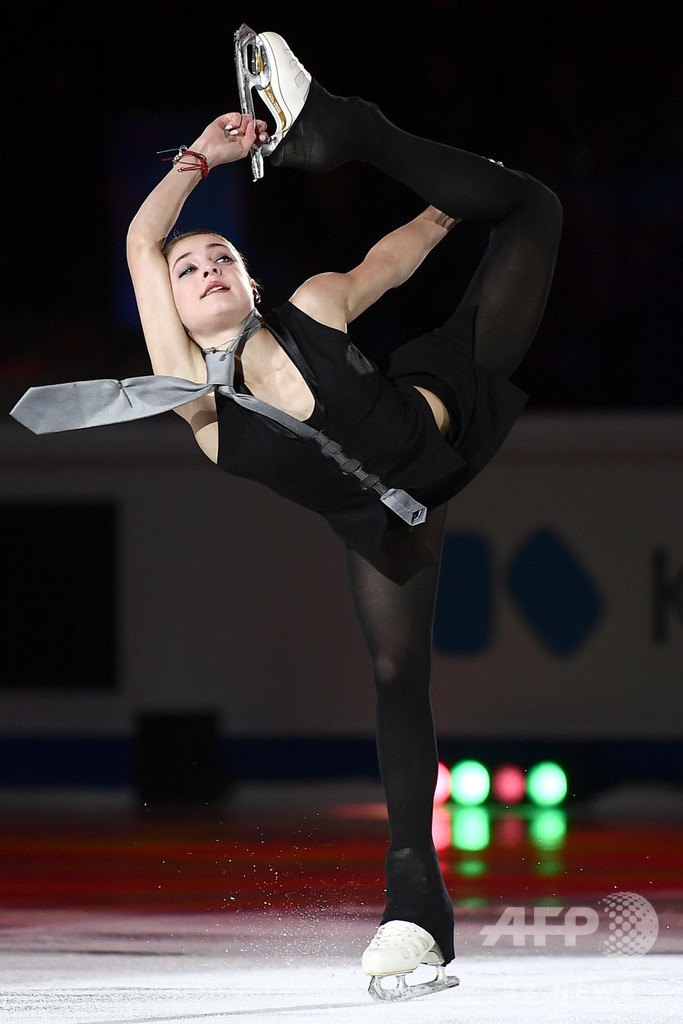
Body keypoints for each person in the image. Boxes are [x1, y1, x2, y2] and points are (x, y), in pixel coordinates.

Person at [11, 27, 562, 1001]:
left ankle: (353, 128)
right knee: (395, 678)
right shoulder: (196, 404)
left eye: (220, 254)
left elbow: (391, 261)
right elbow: (141, 242)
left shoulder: (312, 305)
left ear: (250, 279)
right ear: (173, 313)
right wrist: (198, 159)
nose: (206, 267)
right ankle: (415, 915)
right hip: (388, 526)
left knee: (530, 209)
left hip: (452, 397)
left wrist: (444, 207)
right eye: (189, 270)